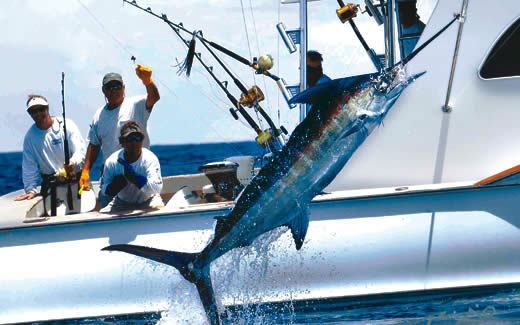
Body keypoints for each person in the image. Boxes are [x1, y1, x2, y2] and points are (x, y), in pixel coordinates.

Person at [79, 64, 160, 193]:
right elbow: (94, 145)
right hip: (112, 174)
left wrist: (148, 82)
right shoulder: (98, 116)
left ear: (123, 88)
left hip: (138, 171)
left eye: (117, 86)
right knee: (106, 205)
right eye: (109, 87)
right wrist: (85, 171)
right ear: (103, 90)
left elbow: (154, 97)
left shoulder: (136, 104)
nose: (114, 90)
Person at [15, 95, 86, 201]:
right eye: (34, 111)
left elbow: (80, 150)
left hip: (76, 181)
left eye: (41, 109)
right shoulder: (30, 137)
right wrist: (30, 190)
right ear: (29, 114)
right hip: (50, 186)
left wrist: (73, 162)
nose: (38, 114)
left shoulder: (67, 124)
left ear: (47, 108)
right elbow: (29, 166)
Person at [100, 121, 164, 212]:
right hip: (121, 203)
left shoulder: (150, 159)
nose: (134, 143)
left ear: (142, 140)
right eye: (130, 139)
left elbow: (157, 188)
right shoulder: (112, 161)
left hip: (149, 201)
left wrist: (135, 179)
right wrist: (112, 188)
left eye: (138, 138)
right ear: (122, 142)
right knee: (102, 214)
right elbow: (103, 188)